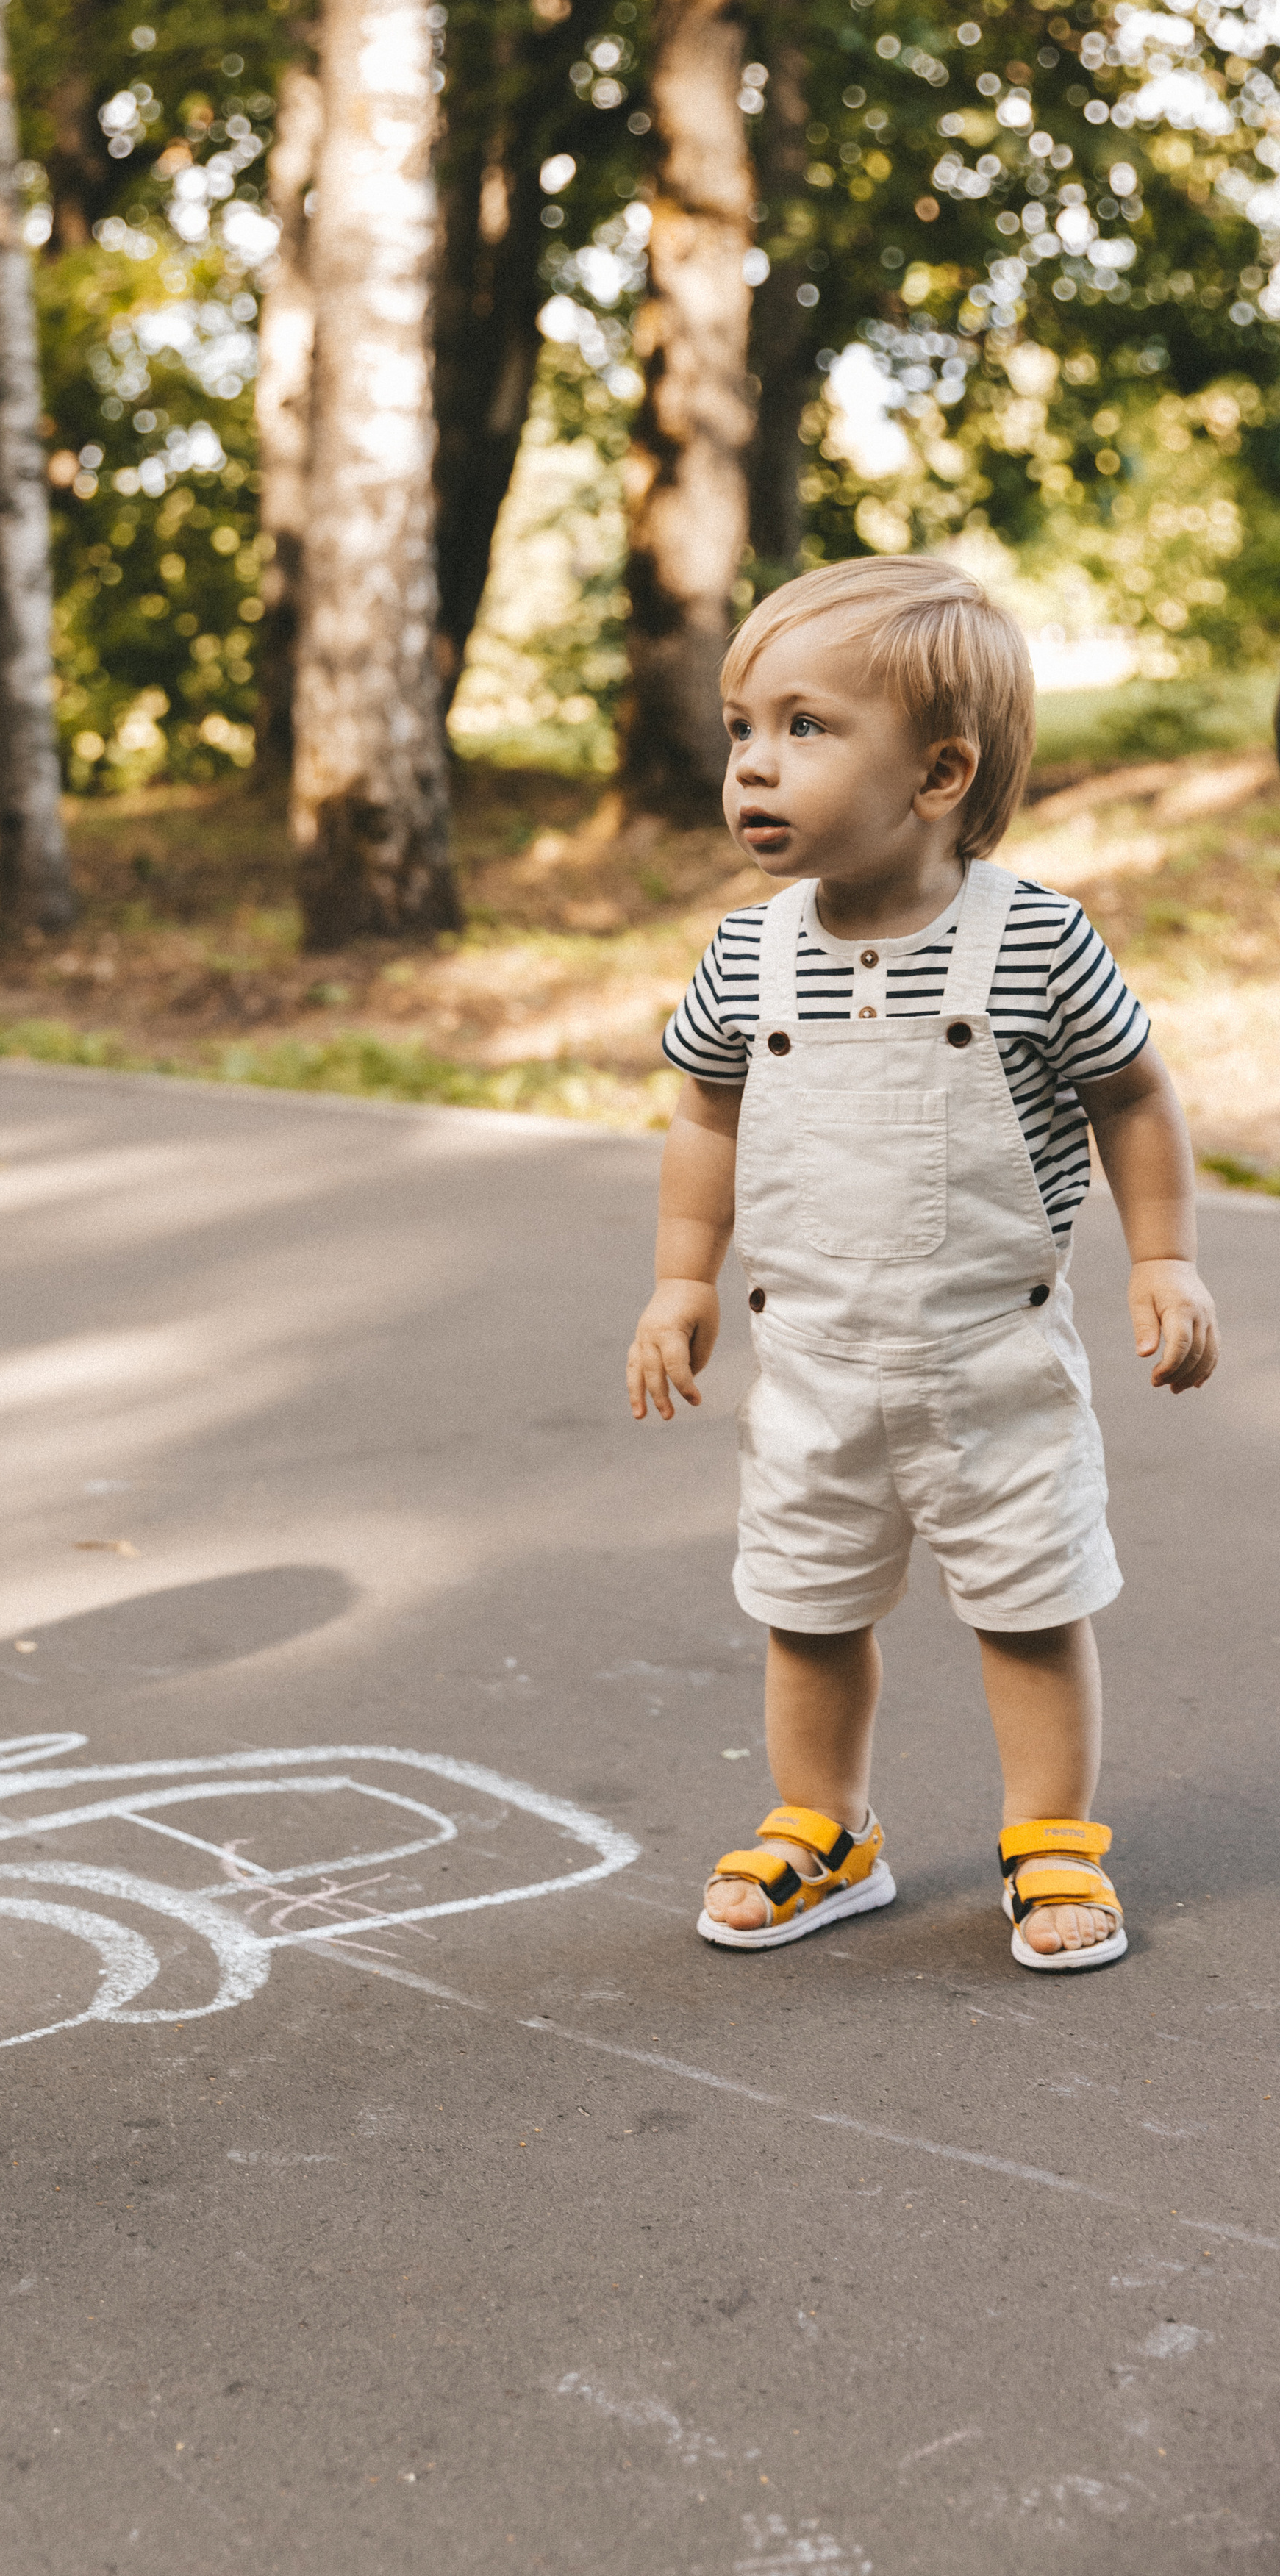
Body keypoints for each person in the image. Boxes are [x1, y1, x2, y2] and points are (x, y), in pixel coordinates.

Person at [626, 554, 1218, 1975]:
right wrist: (682, 1279)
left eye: (806, 729)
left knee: (1027, 1602)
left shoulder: (1032, 940)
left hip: (992, 1359)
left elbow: (1133, 1094)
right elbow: (706, 1108)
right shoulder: (749, 956)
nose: (754, 768)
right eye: (742, 729)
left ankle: (1051, 1837)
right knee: (807, 1605)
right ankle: (825, 1828)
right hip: (815, 1362)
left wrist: (1168, 1256)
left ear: (940, 771)